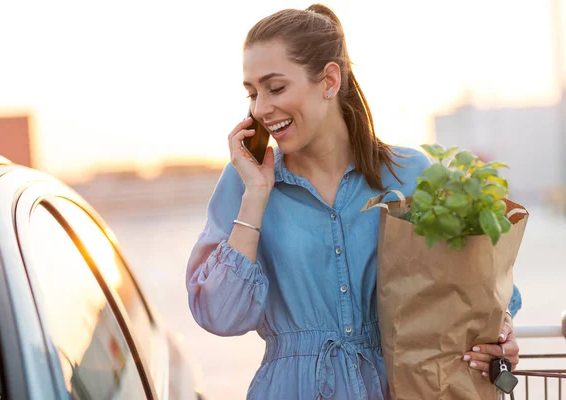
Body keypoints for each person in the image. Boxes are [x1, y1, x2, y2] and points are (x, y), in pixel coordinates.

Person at [186, 4, 522, 399]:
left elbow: (482, 286)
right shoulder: (245, 182)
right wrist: (257, 194)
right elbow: (221, 316)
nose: (260, 109)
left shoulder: (410, 174)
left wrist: (500, 336)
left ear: (329, 80)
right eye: (252, 93)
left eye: (275, 88)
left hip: (401, 386)